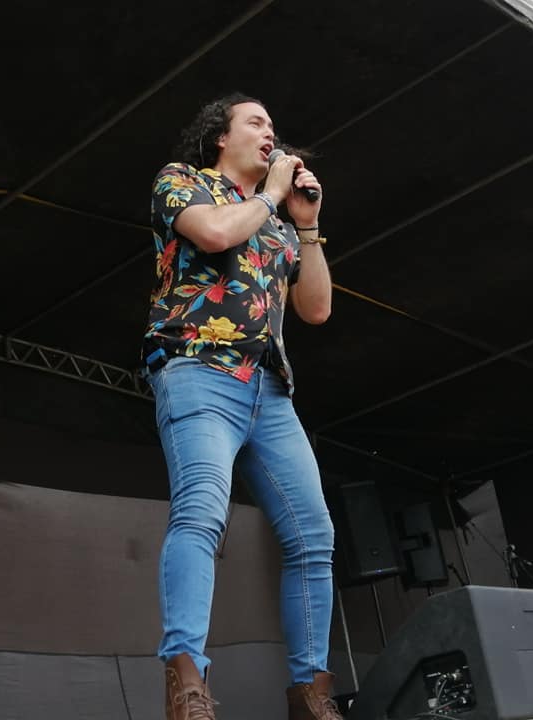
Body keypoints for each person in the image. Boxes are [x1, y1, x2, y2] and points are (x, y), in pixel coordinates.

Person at [141, 93, 341, 720]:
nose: (269, 132)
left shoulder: (277, 222)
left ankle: (311, 694)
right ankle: (187, 683)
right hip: (199, 369)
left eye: (273, 126)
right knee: (202, 512)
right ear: (221, 138)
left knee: (314, 537)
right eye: (255, 122)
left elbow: (316, 308)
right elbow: (214, 232)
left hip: (269, 391)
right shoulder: (184, 182)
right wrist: (272, 194)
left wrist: (306, 226)